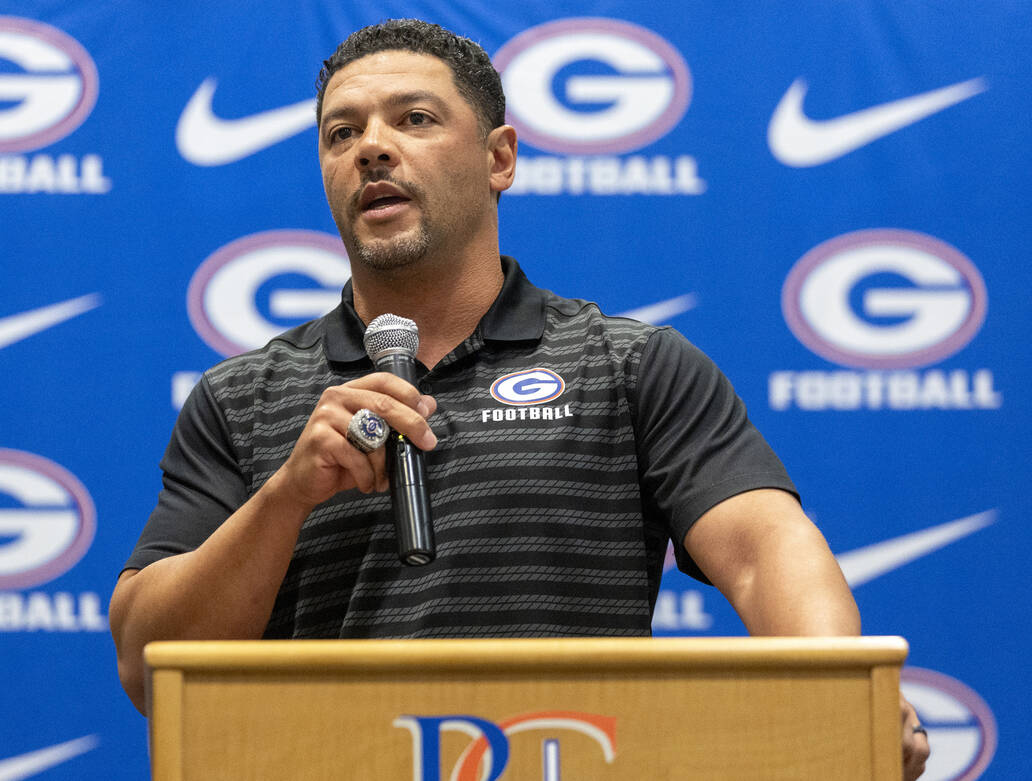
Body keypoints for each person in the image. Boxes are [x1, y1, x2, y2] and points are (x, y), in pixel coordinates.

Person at [110, 18, 929, 778]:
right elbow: (150, 662)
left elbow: (763, 550)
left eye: (415, 120)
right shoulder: (242, 397)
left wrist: (838, 688)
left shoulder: (629, 365)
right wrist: (285, 498)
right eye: (342, 133)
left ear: (500, 157)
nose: (372, 149)